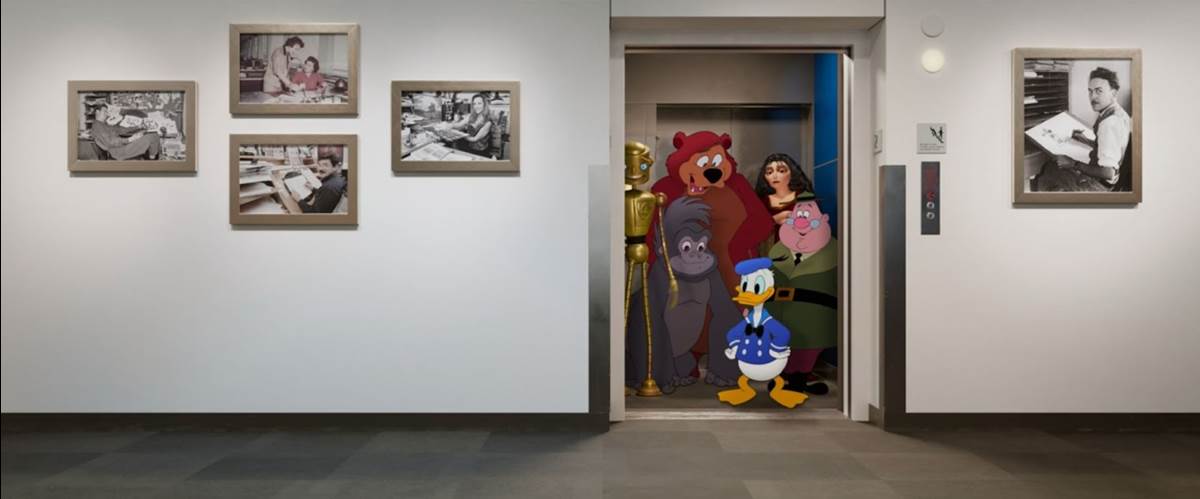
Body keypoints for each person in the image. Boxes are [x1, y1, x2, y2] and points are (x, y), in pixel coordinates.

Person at [1056, 66, 1132, 191]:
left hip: (1102, 185)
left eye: (1099, 91)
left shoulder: (1109, 124)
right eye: (1090, 91)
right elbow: (1112, 146)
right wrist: (1086, 140)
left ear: (1113, 93)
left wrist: (1073, 163)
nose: (1093, 97)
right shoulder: (1119, 113)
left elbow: (1108, 173)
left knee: (1050, 171)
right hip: (1114, 179)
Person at [755, 153, 815, 225]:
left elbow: (816, 223)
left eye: (781, 171)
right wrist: (774, 220)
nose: (774, 176)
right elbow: (754, 227)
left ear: (792, 173)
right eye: (769, 172)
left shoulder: (804, 197)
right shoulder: (761, 202)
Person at [89, 105, 160, 160]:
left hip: (119, 147)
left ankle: (151, 157)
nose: (107, 114)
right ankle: (152, 161)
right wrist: (130, 139)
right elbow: (111, 142)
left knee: (148, 133)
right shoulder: (97, 126)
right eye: (105, 111)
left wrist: (138, 126)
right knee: (152, 136)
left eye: (107, 112)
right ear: (97, 112)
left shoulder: (103, 124)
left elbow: (120, 129)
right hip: (118, 152)